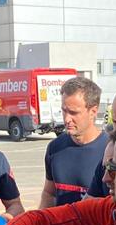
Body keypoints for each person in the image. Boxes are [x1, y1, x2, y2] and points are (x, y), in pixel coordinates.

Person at [39, 77, 108, 208]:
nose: (66, 119)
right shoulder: (55, 148)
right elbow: (49, 193)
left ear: (93, 111)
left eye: (73, 112)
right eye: (64, 111)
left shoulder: (110, 151)